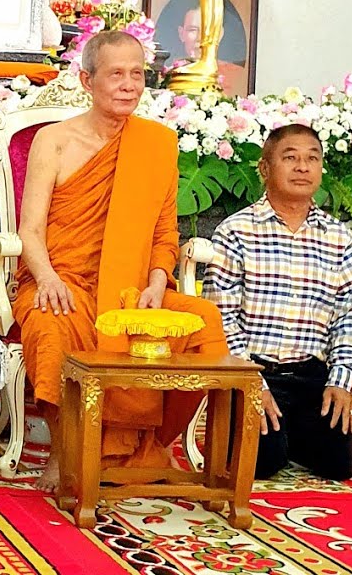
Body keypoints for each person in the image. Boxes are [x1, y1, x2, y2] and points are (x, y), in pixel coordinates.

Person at [12, 30, 228, 493]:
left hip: (132, 285)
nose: (130, 85)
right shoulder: (54, 140)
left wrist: (156, 282)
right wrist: (46, 277)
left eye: (138, 74)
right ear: (88, 80)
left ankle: (150, 444)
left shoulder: (156, 143)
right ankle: (65, 447)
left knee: (203, 321)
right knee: (53, 324)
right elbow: (29, 229)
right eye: (116, 74)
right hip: (61, 277)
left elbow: (164, 232)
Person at [203, 124, 352, 481]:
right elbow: (221, 318)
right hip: (254, 372)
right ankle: (276, 437)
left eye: (312, 158)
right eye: (290, 157)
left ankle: (293, 433)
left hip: (311, 375)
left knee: (339, 466)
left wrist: (341, 381)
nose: (302, 167)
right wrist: (251, 384)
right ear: (265, 168)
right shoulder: (236, 231)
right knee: (261, 464)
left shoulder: (339, 238)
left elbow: (348, 319)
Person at [177, 7, 246, 97]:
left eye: (207, 31)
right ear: (181, 34)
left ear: (219, 34)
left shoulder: (237, 75)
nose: (200, 38)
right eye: (193, 30)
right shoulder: (170, 73)